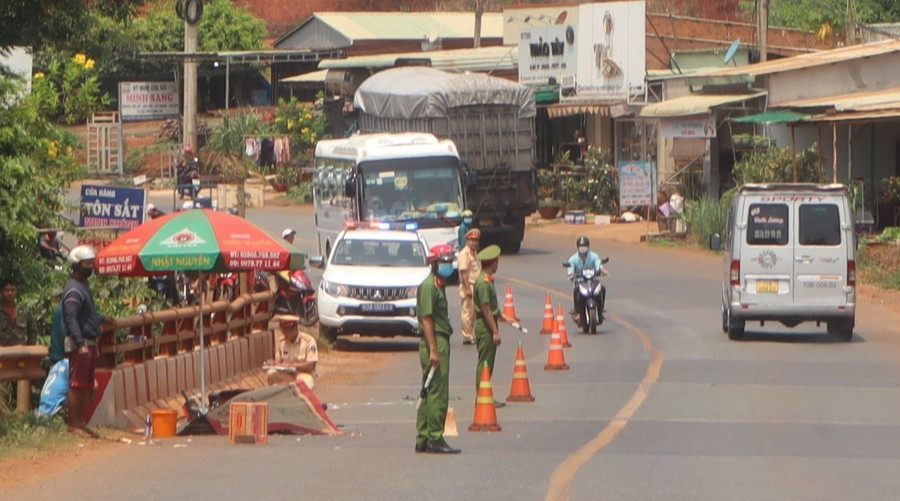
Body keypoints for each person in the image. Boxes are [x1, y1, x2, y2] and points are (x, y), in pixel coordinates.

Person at [415, 243, 460, 454]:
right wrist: (434, 349)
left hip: (436, 340)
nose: (447, 265)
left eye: (449, 261)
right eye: (443, 261)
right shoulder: (429, 286)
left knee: (428, 389)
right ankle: (434, 436)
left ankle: (423, 437)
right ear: (433, 263)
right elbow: (426, 319)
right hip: (435, 341)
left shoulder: (438, 284)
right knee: (437, 392)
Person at [62, 245, 109, 438]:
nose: (90, 267)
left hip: (89, 341)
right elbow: (70, 318)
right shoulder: (73, 290)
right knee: (78, 384)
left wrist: (102, 319)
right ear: (76, 265)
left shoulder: (83, 286)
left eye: (91, 263)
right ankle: (74, 424)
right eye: (87, 263)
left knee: (87, 384)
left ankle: (80, 422)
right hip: (79, 343)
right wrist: (80, 343)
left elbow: (85, 316)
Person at [472, 244, 514, 406]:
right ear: (493, 263)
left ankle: (485, 393)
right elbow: (486, 309)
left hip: (488, 323)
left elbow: (492, 307)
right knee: (485, 363)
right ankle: (481, 395)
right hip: (485, 326)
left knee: (488, 362)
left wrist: (502, 316)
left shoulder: (488, 281)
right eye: (496, 262)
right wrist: (495, 331)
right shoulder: (483, 283)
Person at [266, 315, 318, 390]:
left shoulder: (308, 341)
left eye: (287, 331)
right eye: (283, 331)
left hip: (303, 374)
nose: (285, 334)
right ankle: (279, 396)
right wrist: (273, 363)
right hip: (287, 375)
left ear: (295, 328)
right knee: (271, 373)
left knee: (305, 384)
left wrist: (291, 365)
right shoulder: (282, 341)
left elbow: (311, 365)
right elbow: (279, 361)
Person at [566, 236, 607, 324]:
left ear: (588, 246)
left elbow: (598, 264)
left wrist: (602, 270)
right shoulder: (573, 259)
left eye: (585, 245)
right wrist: (571, 274)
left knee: (602, 289)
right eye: (581, 245)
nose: (583, 247)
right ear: (578, 247)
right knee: (576, 290)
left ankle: (601, 310)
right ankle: (578, 312)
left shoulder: (593, 256)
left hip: (592, 281)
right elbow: (570, 268)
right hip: (580, 282)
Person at [457, 228, 482, 346]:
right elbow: (464, 272)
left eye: (476, 240)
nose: (474, 243)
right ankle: (467, 336)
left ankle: (472, 334)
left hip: (476, 286)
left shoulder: (475, 253)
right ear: (467, 241)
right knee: (468, 311)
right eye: (472, 240)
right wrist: (467, 288)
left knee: (475, 313)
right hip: (468, 286)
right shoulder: (464, 254)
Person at [0, 278, 37, 346]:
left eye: (13, 290)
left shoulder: (24, 312)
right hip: (2, 354)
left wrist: (29, 348)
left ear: (16, 292)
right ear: (1, 291)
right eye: (7, 290)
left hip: (20, 353)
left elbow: (33, 331)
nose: (10, 293)